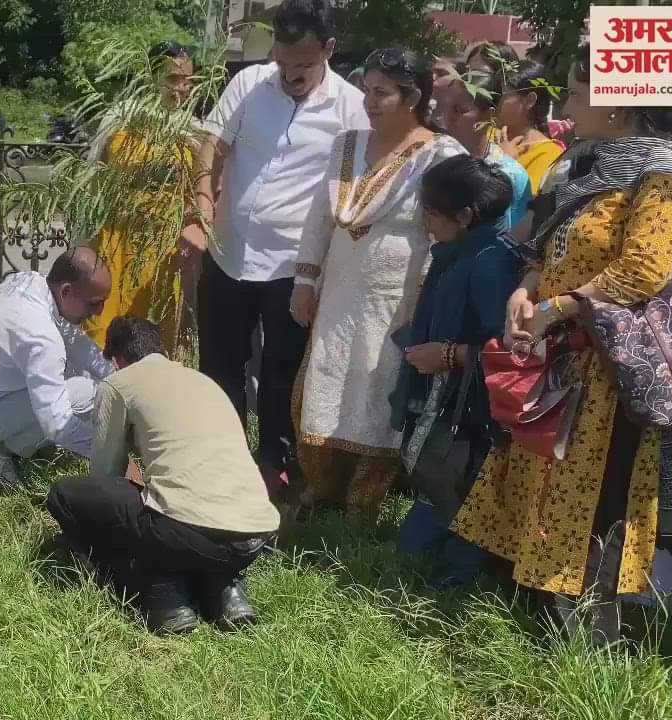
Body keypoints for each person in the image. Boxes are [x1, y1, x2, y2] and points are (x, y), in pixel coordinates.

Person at [453, 48, 672, 644]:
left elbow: (643, 268)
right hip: (561, 354)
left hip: (614, 366)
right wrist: (526, 288)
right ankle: (538, 604)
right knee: (544, 479)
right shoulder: (584, 162)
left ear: (617, 101)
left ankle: (593, 631)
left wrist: (557, 310)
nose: (563, 106)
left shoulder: (667, 171)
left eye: (572, 91)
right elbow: (549, 245)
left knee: (600, 491)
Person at [182, 0, 369, 485]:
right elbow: (211, 145)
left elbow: (352, 187)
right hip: (229, 251)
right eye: (283, 62)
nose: (289, 74)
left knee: (282, 371)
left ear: (328, 49)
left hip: (294, 265)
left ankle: (276, 468)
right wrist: (202, 199)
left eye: (302, 65)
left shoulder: (351, 106)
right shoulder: (248, 84)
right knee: (220, 363)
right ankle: (217, 458)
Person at [289, 47, 465, 520]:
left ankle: (363, 506)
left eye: (381, 93)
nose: (369, 101)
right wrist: (304, 281)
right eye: (366, 90)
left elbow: (448, 235)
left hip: (398, 300)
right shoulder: (345, 146)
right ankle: (321, 489)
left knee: (376, 388)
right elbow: (320, 220)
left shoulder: (441, 156)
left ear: (413, 98)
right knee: (324, 386)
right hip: (338, 294)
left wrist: (432, 303)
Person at [47, 316, 280, 635]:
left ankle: (159, 591)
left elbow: (105, 474)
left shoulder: (119, 383)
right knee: (181, 521)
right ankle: (222, 588)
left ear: (117, 359)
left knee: (66, 495)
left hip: (181, 531)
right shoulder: (202, 381)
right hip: (253, 535)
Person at [394, 156, 519, 588]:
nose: (424, 222)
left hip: (470, 410)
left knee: (461, 478)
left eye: (430, 212)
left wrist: (448, 355)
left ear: (464, 216)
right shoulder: (460, 251)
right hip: (441, 394)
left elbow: (510, 348)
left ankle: (466, 571)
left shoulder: (492, 263)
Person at [0, 249, 115, 489]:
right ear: (66, 290)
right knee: (89, 391)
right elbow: (58, 424)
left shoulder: (28, 282)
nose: (99, 312)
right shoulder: (41, 335)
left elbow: (73, 339)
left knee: (77, 377)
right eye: (94, 303)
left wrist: (121, 378)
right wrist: (112, 458)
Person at [81, 40, 196, 354]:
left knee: (156, 336)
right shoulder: (121, 120)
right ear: (150, 79)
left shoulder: (193, 131)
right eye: (174, 79)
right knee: (106, 333)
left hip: (164, 250)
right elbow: (95, 181)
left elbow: (198, 193)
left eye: (189, 81)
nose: (183, 89)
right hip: (118, 242)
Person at [435, 64, 532, 231]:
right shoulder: (430, 158)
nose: (447, 117)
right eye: (445, 107)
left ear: (490, 115)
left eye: (460, 110)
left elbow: (512, 238)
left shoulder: (511, 175)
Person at [497, 61, 563, 194]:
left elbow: (523, 205)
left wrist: (506, 164)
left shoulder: (548, 154)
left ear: (529, 101)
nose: (494, 100)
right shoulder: (488, 134)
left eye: (502, 94)